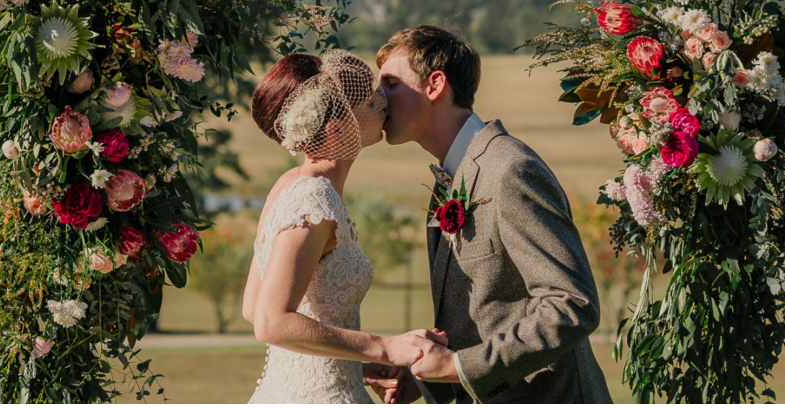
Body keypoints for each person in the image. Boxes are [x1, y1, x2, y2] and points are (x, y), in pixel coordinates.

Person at [363, 26, 613, 404]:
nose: (378, 97)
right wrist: (428, 377)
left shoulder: (510, 171)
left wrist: (458, 368)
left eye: (391, 83)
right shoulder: (449, 176)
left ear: (434, 85)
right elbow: (487, 312)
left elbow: (571, 304)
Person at [242, 49, 447, 403]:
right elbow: (269, 321)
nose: (382, 103)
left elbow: (252, 305)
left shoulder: (289, 184)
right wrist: (383, 348)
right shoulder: (313, 201)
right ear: (338, 129)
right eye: (369, 103)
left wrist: (356, 367)